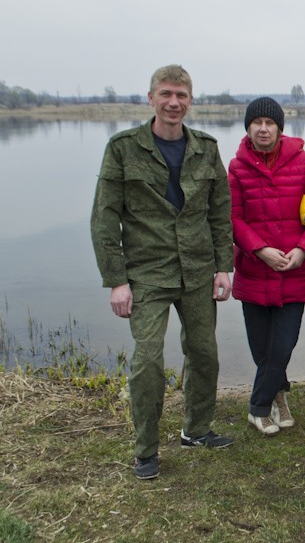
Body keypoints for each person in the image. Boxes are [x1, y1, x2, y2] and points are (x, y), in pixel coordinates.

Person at [90, 65, 234, 480]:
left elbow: (220, 212)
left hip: (198, 268)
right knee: (148, 361)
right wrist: (116, 279)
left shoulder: (206, 148)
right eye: (166, 94)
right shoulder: (122, 148)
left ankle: (197, 429)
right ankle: (146, 450)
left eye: (182, 95)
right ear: (150, 98)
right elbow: (104, 218)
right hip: (147, 273)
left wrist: (224, 266)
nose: (174, 103)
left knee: (204, 353)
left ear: (191, 101)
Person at [228, 97, 305, 437]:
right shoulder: (237, 167)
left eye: (269, 123)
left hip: (293, 272)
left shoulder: (302, 162)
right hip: (254, 272)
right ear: (248, 128)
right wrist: (260, 250)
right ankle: (279, 396)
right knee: (263, 350)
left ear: (279, 128)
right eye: (256, 123)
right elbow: (234, 217)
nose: (262, 128)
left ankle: (257, 408)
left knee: (283, 346)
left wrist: (303, 251)